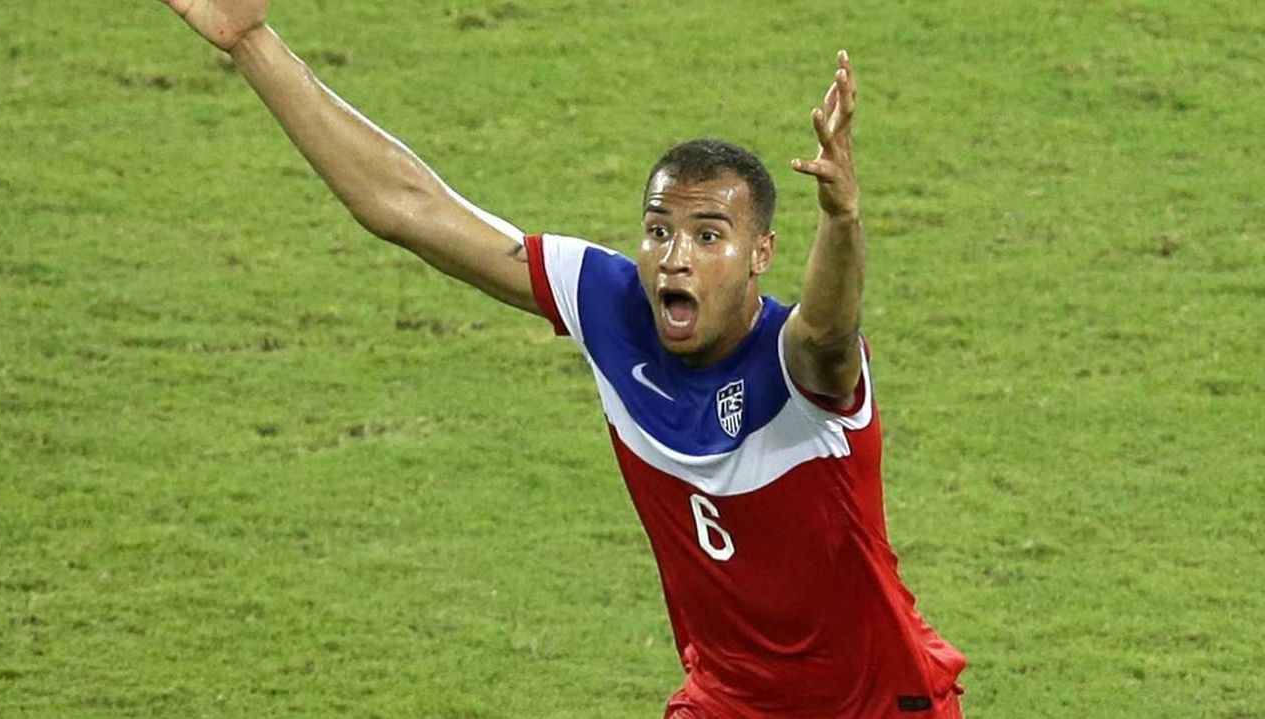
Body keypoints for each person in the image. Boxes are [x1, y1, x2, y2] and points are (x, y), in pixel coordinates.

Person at [157, 1, 967, 716]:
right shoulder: (609, 306)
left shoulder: (800, 370)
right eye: (658, 230)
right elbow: (406, 205)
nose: (674, 257)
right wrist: (252, 44)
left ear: (761, 255)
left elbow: (829, 330)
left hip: (874, 704)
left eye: (709, 236)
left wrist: (844, 215)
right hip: (728, 701)